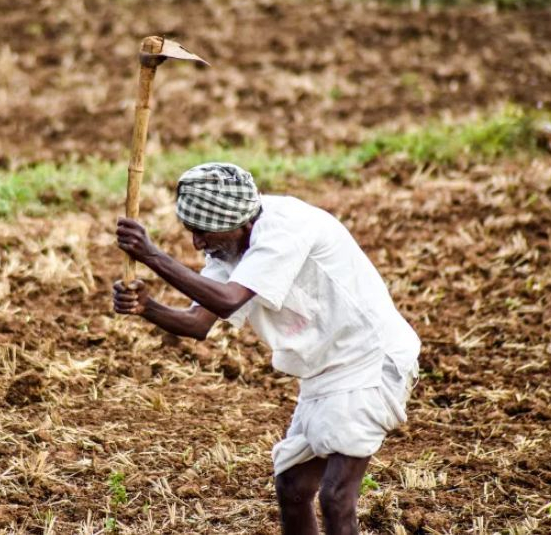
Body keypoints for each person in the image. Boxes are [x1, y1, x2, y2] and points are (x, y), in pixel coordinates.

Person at [113, 162, 420, 535]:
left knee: (336, 497)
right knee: (293, 486)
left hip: (370, 362)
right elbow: (198, 323)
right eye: (192, 232)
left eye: (202, 233)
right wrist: (147, 307)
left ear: (238, 222)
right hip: (325, 374)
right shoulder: (231, 248)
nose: (197, 244)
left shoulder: (284, 229)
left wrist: (152, 255)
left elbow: (227, 301)